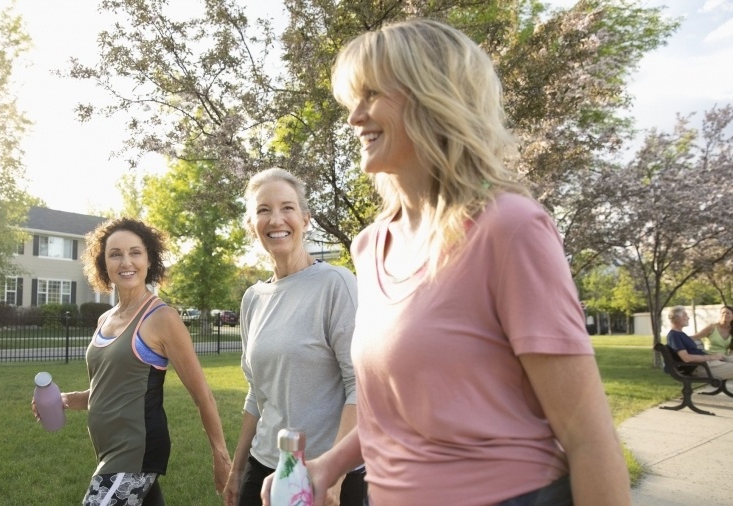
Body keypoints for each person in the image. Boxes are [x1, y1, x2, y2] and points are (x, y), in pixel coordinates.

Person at [264, 19, 631, 506]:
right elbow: (389, 416)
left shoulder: (509, 227)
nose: (354, 117)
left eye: (371, 94)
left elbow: (588, 437)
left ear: (430, 97)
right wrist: (327, 466)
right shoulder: (369, 246)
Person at [33, 217, 231, 506]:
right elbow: (113, 390)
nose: (126, 262)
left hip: (135, 451)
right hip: (109, 450)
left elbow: (204, 396)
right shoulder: (105, 319)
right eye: (115, 254)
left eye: (135, 252)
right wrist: (66, 399)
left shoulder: (162, 318)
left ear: (149, 259)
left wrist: (221, 456)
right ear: (104, 263)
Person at [223, 168, 366, 506]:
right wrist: (237, 468)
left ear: (305, 218)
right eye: (263, 210)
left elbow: (360, 386)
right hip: (264, 470)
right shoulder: (253, 298)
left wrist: (335, 473)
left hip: (325, 473)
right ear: (251, 225)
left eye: (287, 207)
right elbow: (256, 393)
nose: (276, 219)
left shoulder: (337, 285)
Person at [666, 306, 733, 379]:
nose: (688, 318)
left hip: (707, 363)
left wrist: (712, 358)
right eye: (685, 315)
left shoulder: (680, 334)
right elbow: (686, 358)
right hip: (701, 368)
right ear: (677, 318)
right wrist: (710, 357)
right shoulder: (674, 335)